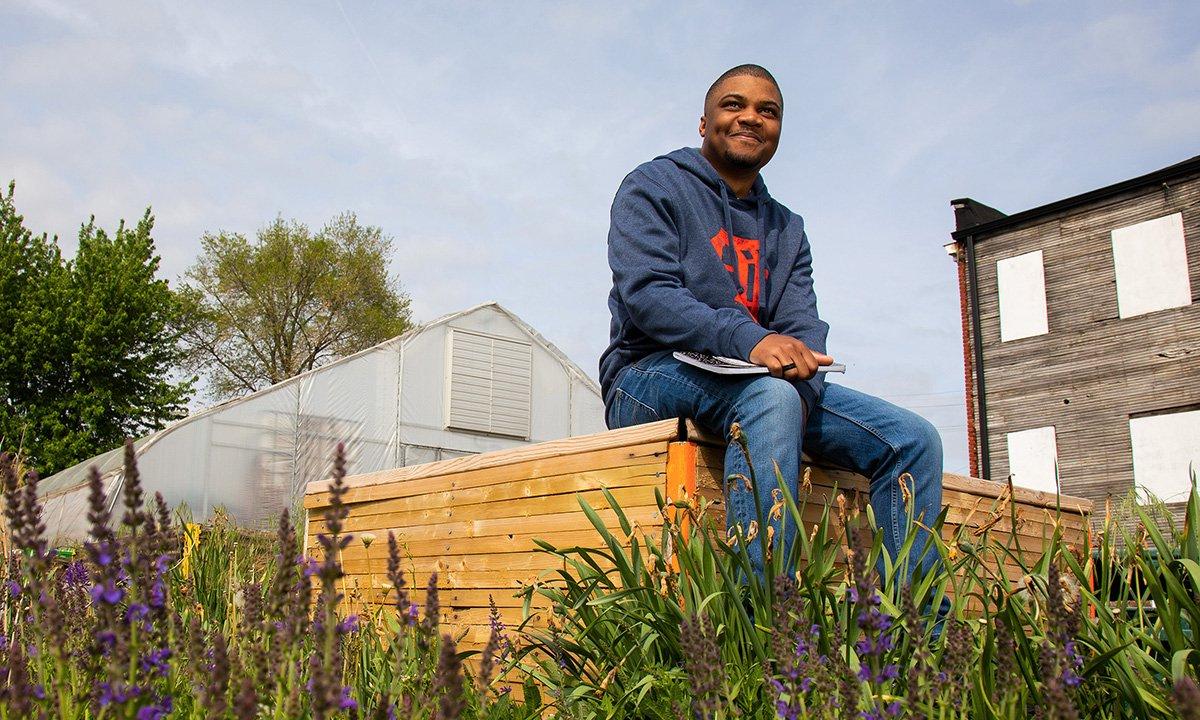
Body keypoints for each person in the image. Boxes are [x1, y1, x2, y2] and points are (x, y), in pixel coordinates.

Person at [598, 64, 944, 581]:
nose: (751, 118)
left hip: (759, 385)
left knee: (913, 438)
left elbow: (803, 326)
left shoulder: (786, 227)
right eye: (734, 105)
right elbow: (650, 296)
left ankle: (919, 638)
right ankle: (761, 629)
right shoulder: (653, 186)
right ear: (703, 122)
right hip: (647, 374)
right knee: (772, 397)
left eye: (768, 111)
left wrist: (798, 381)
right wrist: (754, 343)